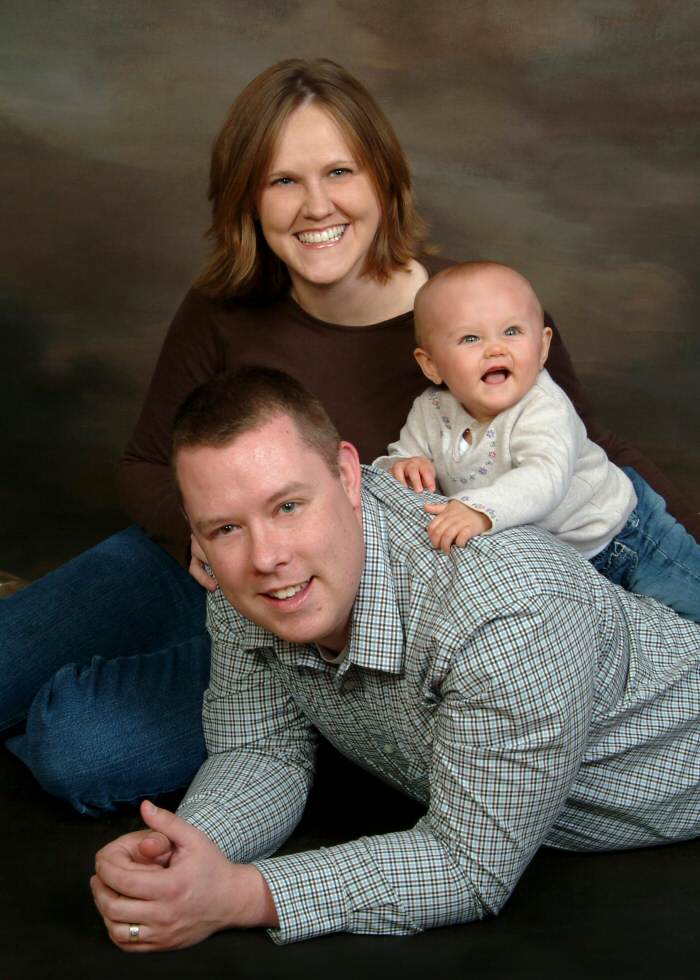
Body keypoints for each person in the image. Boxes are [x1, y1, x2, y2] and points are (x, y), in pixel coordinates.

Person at [2, 60, 698, 816]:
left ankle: (323, 747)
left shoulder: (478, 319)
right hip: (191, 564)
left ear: (384, 180)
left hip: (314, 628)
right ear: (248, 199)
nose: (316, 206)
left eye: (339, 171)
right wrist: (194, 536)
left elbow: (597, 460)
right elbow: (143, 463)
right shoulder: (221, 308)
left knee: (79, 745)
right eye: (283, 181)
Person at [90, 366, 700, 951]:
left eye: (288, 506)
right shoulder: (241, 581)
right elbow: (261, 749)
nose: (265, 558)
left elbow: (468, 866)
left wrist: (241, 895)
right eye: (225, 528)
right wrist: (184, 855)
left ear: (347, 476)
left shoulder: (510, 611)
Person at [373, 262, 700, 620]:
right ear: (431, 364)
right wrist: (403, 465)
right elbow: (403, 455)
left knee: (691, 597)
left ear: (543, 347)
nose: (495, 349)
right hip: (561, 566)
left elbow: (545, 477)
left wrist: (478, 510)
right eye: (470, 338)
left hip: (624, 535)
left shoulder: (543, 405)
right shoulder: (431, 411)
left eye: (511, 331)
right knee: (632, 634)